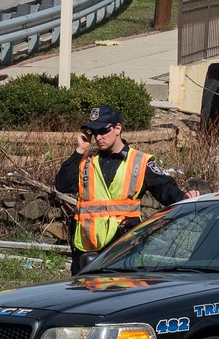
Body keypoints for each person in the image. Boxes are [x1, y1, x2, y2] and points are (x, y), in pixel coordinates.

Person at [54, 105, 201, 274]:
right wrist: (80, 149)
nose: (98, 137)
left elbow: (166, 190)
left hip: (123, 250)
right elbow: (62, 185)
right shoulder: (85, 160)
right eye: (94, 132)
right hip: (87, 250)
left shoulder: (139, 161)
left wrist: (185, 196)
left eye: (103, 130)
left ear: (118, 129)